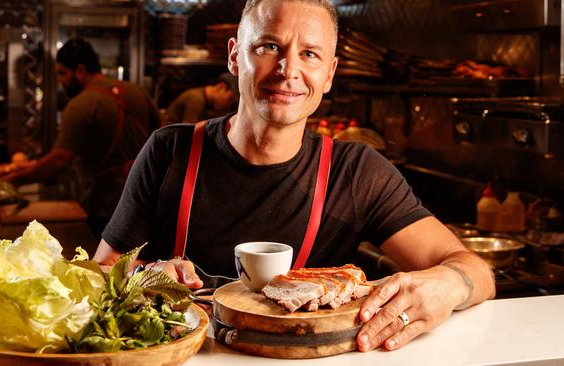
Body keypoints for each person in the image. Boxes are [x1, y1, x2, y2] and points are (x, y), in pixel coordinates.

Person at [94, 0, 495, 353]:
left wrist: (448, 284)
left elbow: (473, 269)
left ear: (330, 74)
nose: (289, 70)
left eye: (310, 54)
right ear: (235, 57)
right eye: (270, 47)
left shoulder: (357, 172)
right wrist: (139, 276)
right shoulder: (170, 150)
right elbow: (100, 270)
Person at [4, 38, 160, 237]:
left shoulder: (81, 104)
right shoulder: (137, 92)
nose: (60, 81)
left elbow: (59, 160)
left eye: (62, 73)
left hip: (107, 206)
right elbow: (162, 137)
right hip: (147, 202)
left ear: (80, 70)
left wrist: (16, 179)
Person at [164, 72, 238, 124]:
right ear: (220, 87)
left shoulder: (201, 99)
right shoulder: (196, 99)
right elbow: (189, 134)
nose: (228, 106)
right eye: (229, 100)